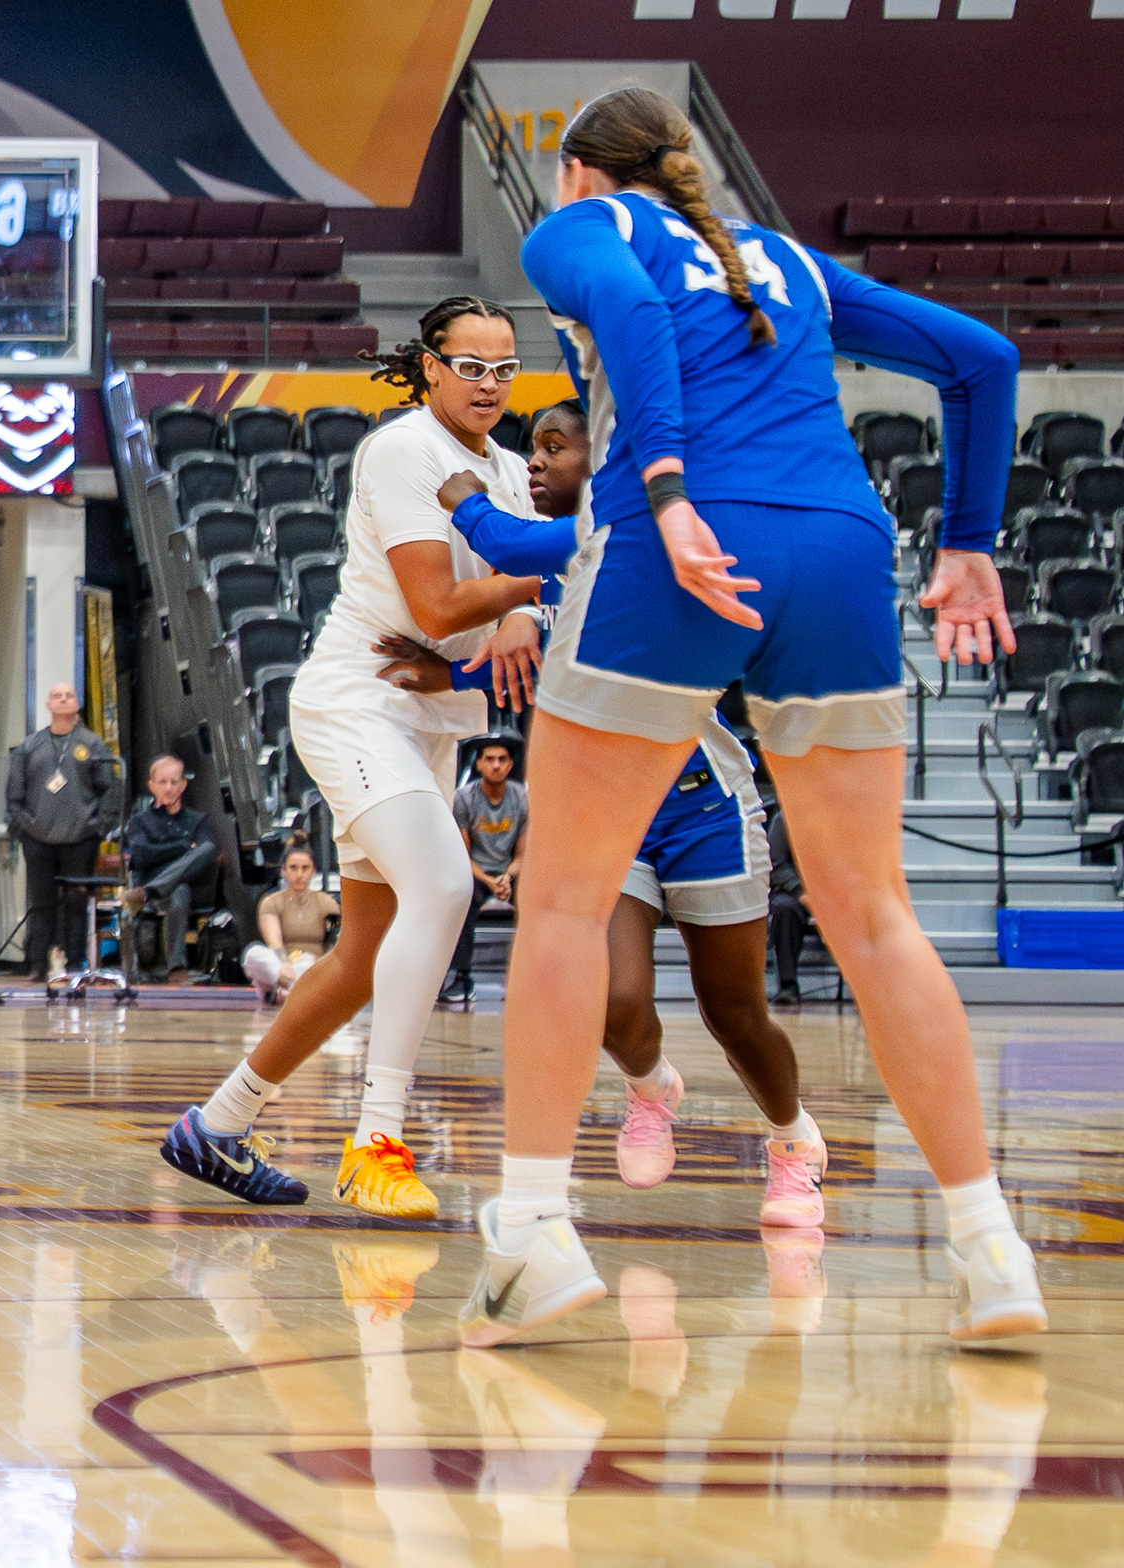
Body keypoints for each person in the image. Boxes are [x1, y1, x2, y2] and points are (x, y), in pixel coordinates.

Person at [460, 85, 1039, 1348]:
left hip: (684, 544)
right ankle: (990, 1244)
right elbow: (984, 361)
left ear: (575, 173)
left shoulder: (582, 230)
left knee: (560, 896)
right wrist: (968, 540)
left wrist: (663, 487)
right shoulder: (785, 259)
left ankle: (531, 1230)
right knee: (874, 914)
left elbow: (621, 312)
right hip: (835, 547)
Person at [158, 294, 544, 1218]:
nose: (490, 384)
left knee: (368, 952)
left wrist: (528, 601)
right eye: (472, 366)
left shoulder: (509, 469)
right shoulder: (406, 450)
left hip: (432, 717)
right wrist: (565, 569)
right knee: (446, 889)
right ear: (430, 367)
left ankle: (216, 1125)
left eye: (505, 368)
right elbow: (449, 609)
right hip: (357, 703)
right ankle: (376, 1141)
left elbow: (517, 619)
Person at [421, 393, 828, 1229]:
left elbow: (501, 540)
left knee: (735, 1012)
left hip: (702, 803)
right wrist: (446, 673)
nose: (534, 461)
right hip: (613, 814)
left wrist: (459, 490)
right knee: (612, 999)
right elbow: (533, 652)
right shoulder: (570, 567)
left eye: (553, 446)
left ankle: (793, 1143)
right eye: (529, 448)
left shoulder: (622, 533)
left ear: (599, 463)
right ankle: (651, 1089)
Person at [5, 681, 121, 982]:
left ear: (76, 704)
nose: (62, 699)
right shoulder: (29, 746)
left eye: (68, 695)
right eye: (56, 695)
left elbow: (110, 788)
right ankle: (37, 964)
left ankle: (74, 964)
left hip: (80, 839)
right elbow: (14, 794)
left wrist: (99, 826)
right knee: (41, 902)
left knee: (76, 902)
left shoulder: (93, 745)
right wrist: (24, 826)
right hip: (38, 839)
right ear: (48, 705)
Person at [120, 756, 224, 985]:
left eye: (174, 781)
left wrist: (169, 853)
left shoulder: (199, 820)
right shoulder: (139, 821)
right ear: (152, 785)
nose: (169, 788)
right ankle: (176, 967)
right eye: (163, 782)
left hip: (189, 886)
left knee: (203, 855)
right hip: (152, 878)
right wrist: (183, 847)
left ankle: (150, 892)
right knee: (179, 889)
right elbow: (142, 855)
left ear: (183, 784)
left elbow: (207, 852)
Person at [444, 736, 529, 1003]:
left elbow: (523, 855)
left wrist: (507, 877)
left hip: (509, 872)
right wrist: (490, 881)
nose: (496, 765)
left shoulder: (522, 799)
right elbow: (462, 856)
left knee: (536, 900)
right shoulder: (465, 799)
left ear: (511, 764)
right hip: (475, 871)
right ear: (479, 764)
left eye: (502, 759)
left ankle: (527, 979)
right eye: (489, 759)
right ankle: (461, 976)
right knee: (462, 898)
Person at [241, 845, 339, 1005]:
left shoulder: (327, 903)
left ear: (313, 870)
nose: (299, 874)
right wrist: (285, 966)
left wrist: (322, 966)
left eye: (305, 868)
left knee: (321, 968)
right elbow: (274, 942)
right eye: (293, 868)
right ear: (283, 871)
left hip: (312, 966)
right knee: (253, 954)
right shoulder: (271, 902)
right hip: (281, 968)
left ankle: (292, 994)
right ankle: (297, 993)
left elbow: (336, 941)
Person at [766, 805, 809, 1005]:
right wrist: (803, 891)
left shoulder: (846, 816)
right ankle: (788, 984)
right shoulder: (786, 817)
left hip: (838, 892)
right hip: (797, 889)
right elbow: (775, 863)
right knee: (784, 907)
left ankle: (864, 988)